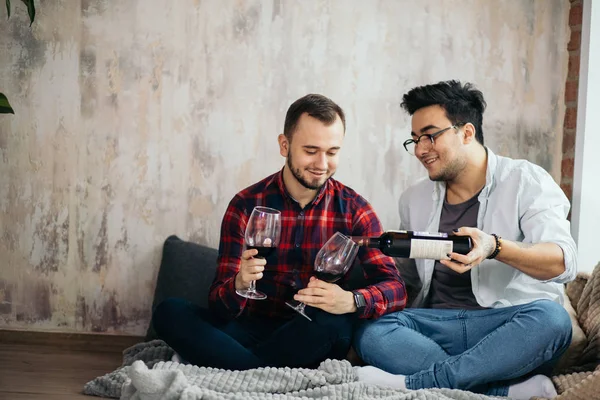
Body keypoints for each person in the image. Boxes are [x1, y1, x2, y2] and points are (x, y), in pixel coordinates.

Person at [353, 80, 577, 399]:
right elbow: (406, 282)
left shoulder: (527, 181)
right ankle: (499, 390)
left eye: (430, 136)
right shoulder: (413, 199)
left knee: (553, 321)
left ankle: (417, 383)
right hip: (436, 328)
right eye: (414, 140)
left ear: (467, 132)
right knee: (371, 331)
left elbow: (563, 261)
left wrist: (494, 247)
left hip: (505, 328)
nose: (419, 150)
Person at [152, 93, 407, 370]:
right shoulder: (246, 204)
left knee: (336, 323)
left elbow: (396, 289)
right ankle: (263, 372)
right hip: (249, 327)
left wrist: (351, 299)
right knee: (170, 312)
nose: (322, 164)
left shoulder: (355, 209)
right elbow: (219, 305)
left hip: (312, 329)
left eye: (332, 152)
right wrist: (238, 283)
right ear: (284, 145)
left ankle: (238, 366)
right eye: (311, 151)